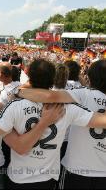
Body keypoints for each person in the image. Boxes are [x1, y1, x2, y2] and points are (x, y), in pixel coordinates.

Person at [0, 59, 106, 189]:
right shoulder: (67, 108)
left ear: (29, 78)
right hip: (48, 179)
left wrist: (1, 123)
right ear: (53, 79)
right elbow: (100, 121)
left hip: (19, 177)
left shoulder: (14, 106)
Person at [16, 59, 106, 190]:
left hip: (76, 170)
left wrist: (18, 91)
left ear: (90, 77)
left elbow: (49, 97)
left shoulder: (84, 93)